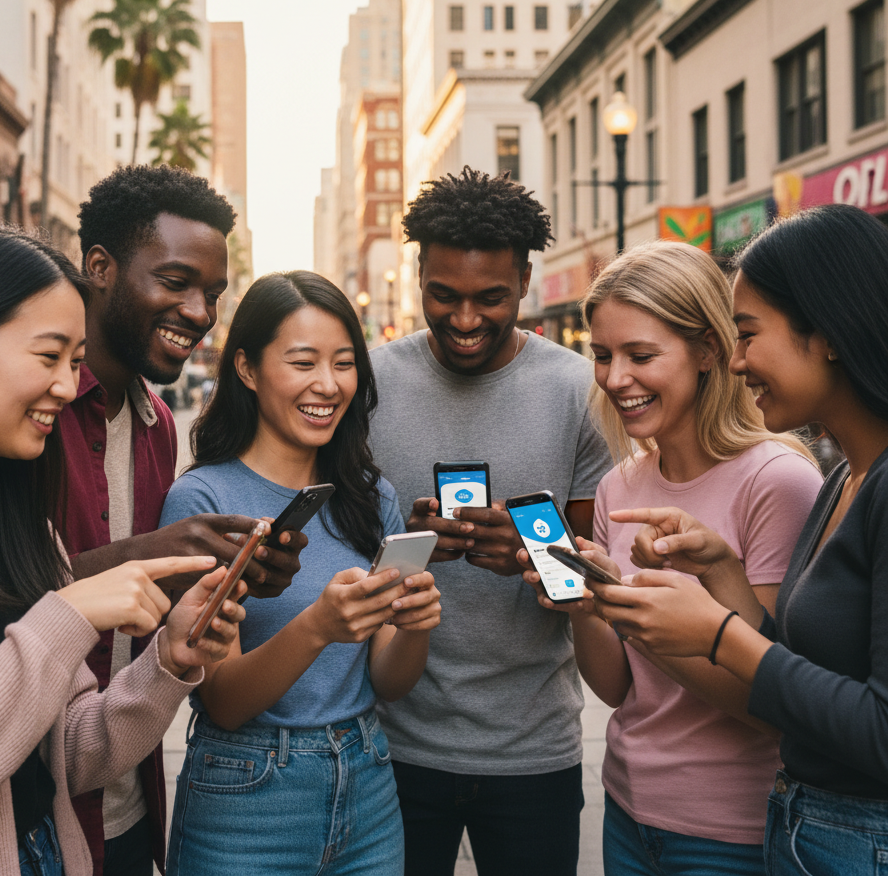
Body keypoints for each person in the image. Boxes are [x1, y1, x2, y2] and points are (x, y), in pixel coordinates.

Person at [0, 226, 246, 876]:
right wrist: (68, 613)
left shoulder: (22, 523)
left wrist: (168, 662)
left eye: (75, 361)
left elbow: (68, 751)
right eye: (48, 357)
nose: (68, 388)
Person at [588, 205, 888, 874]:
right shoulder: (844, 476)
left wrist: (714, 633)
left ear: (829, 331)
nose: (737, 358)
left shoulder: (804, 477)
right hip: (799, 825)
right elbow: (803, 667)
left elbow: (873, 726)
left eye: (747, 334)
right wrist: (721, 570)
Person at [519, 241, 822, 875]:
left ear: (708, 350)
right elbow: (619, 688)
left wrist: (641, 617)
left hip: (735, 828)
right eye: (602, 355)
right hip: (629, 812)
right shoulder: (618, 487)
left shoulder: (777, 479)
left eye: (642, 354)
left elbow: (775, 700)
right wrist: (583, 604)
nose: (615, 377)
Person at [367, 166, 613, 876]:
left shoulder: (576, 390)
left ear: (526, 281)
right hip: (396, 748)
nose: (466, 319)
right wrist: (406, 550)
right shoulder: (370, 383)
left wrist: (539, 550)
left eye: (490, 298)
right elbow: (350, 568)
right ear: (417, 276)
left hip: (534, 752)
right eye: (444, 295)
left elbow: (592, 579)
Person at [62, 166, 308, 875]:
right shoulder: (32, 416)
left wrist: (220, 578)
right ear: (100, 268)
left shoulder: (158, 424)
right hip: (29, 809)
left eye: (213, 294)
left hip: (129, 803)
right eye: (175, 282)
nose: (200, 312)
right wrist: (149, 555)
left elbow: (139, 620)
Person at [160, 271, 442, 875]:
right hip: (244, 799)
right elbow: (224, 700)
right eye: (303, 361)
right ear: (247, 368)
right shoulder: (203, 501)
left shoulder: (372, 496)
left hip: (367, 785)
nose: (328, 384)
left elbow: (389, 681)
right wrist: (317, 626)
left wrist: (415, 625)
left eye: (344, 363)